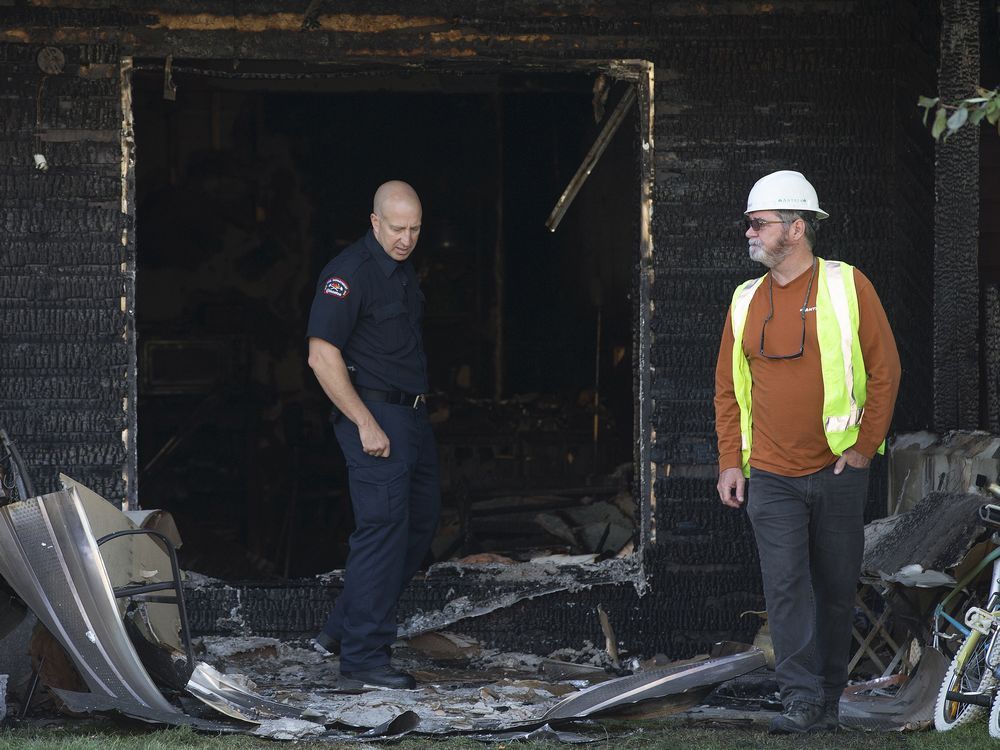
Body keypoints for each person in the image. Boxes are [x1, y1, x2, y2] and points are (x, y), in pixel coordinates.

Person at [714, 170, 901, 733]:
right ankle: (799, 699)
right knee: (786, 586)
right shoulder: (745, 299)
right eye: (750, 222)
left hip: (839, 469)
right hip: (769, 474)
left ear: (796, 229)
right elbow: (727, 387)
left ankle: (829, 697)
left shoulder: (847, 286)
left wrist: (865, 449)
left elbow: (885, 371)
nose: (749, 231)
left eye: (759, 223)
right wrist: (730, 460)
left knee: (837, 587)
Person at [306, 180, 440, 690]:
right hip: (375, 418)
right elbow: (322, 355)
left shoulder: (401, 272)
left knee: (421, 523)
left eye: (415, 229)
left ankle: (345, 625)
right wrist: (365, 423)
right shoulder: (349, 274)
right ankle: (363, 659)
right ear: (374, 222)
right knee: (382, 532)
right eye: (397, 228)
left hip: (412, 419)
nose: (406, 238)